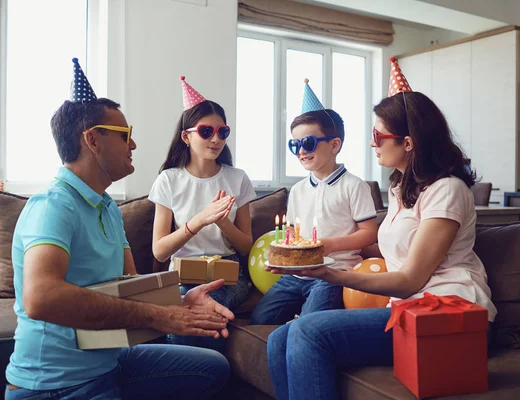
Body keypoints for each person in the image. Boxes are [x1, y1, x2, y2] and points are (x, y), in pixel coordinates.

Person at [265, 61, 497, 400]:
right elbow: (394, 252)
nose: (372, 144)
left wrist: (328, 273)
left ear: (407, 142)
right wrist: (306, 255)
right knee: (277, 339)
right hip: (411, 309)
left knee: (307, 333)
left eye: (378, 136)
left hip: (451, 313)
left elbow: (409, 280)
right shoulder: (402, 190)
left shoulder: (447, 190)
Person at [5, 59, 233, 400]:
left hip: (109, 363)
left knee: (213, 367)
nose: (134, 145)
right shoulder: (53, 205)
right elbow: (42, 298)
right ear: (93, 140)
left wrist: (182, 304)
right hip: (58, 385)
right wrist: (162, 317)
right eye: (126, 135)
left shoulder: (107, 206)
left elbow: (129, 288)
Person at [250, 79, 378, 325]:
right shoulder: (297, 190)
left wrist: (329, 245)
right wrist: (282, 258)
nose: (300, 151)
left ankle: (302, 321)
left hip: (334, 273)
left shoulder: (354, 186)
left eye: (307, 142)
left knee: (310, 323)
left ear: (334, 144)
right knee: (260, 318)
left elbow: (369, 233)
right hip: (297, 276)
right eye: (294, 144)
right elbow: (292, 233)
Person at [149, 77, 256, 350]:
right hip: (183, 275)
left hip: (228, 274)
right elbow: (160, 252)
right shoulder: (169, 180)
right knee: (188, 305)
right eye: (206, 131)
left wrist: (222, 223)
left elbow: (247, 247)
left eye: (223, 131)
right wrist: (198, 221)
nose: (216, 138)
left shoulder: (238, 178)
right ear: (186, 136)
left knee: (209, 305)